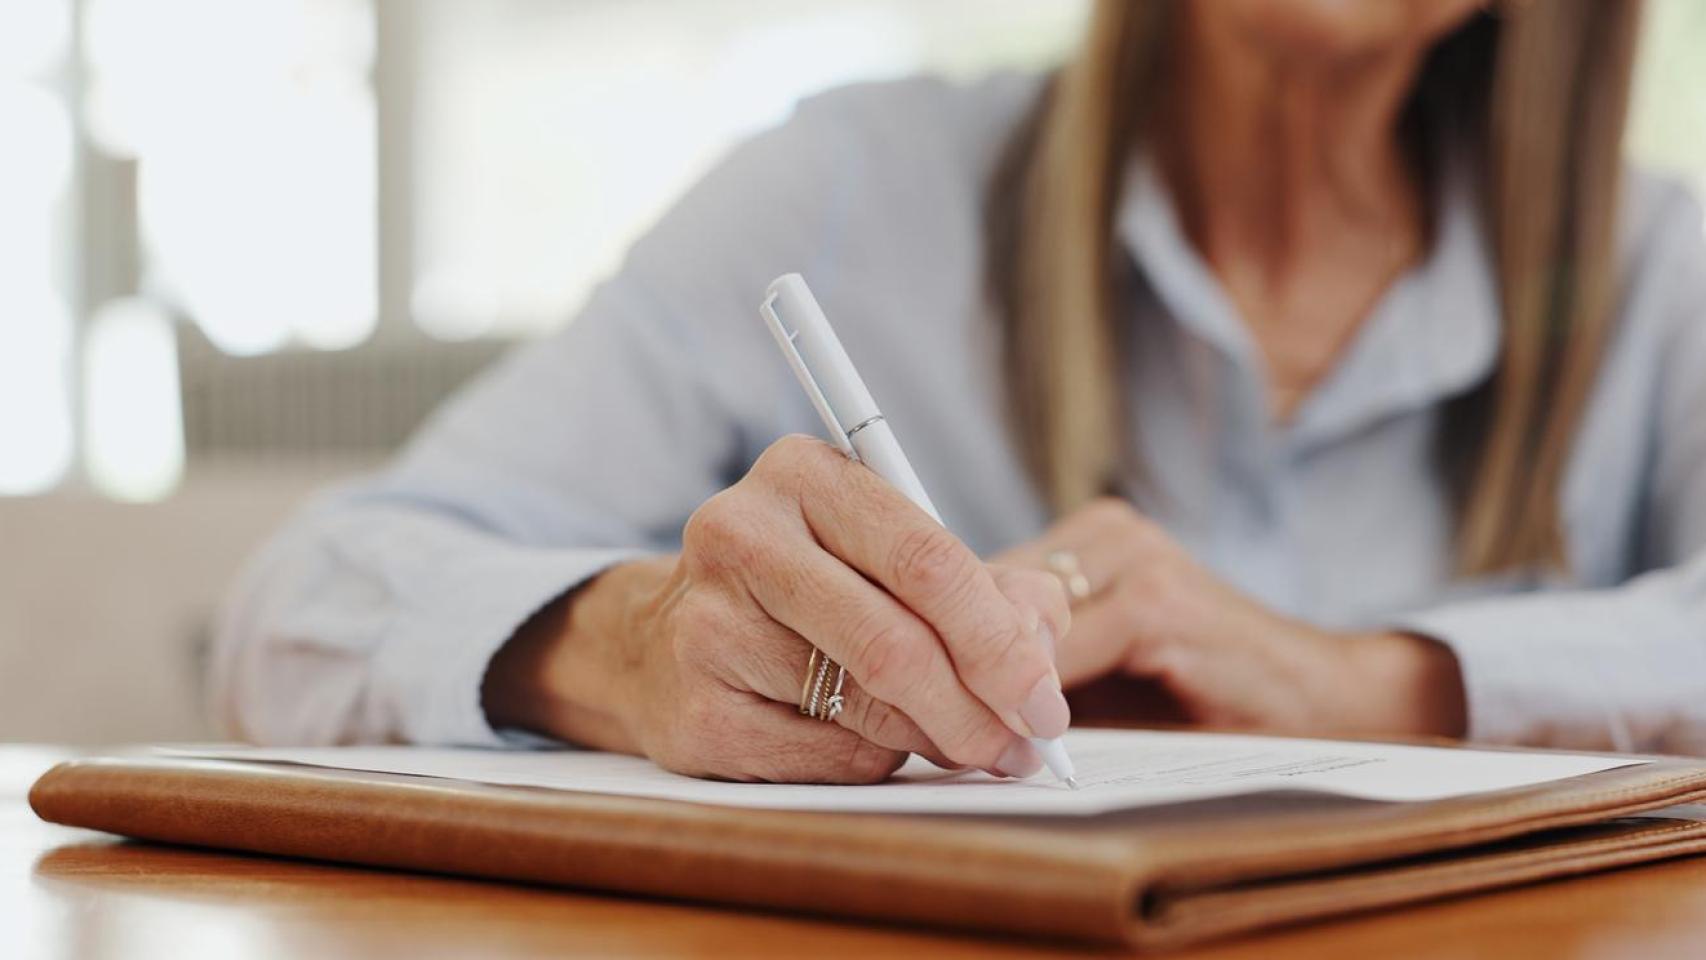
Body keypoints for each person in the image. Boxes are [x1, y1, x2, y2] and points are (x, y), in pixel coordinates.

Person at [214, 0, 1706, 782]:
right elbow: (299, 599)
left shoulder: (1662, 272)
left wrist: (1367, 684)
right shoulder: (845, 193)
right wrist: (633, 649)